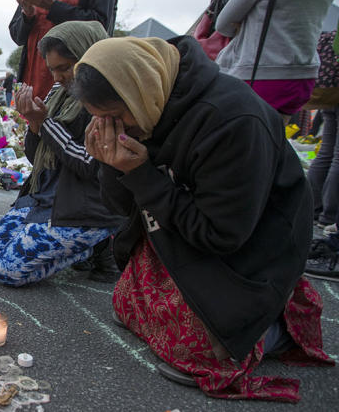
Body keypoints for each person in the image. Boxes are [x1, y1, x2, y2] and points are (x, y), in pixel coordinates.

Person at [71, 35, 333, 401]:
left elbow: (222, 234)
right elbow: (121, 207)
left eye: (117, 116)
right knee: (126, 306)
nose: (113, 129)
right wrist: (112, 166)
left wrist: (143, 174)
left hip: (248, 255)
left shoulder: (233, 120)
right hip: (180, 232)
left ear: (142, 90)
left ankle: (275, 328)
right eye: (101, 119)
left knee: (193, 350)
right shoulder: (150, 110)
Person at [0, 21, 123, 286]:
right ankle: (73, 246)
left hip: (86, 205)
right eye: (53, 69)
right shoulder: (60, 92)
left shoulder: (109, 101)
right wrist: (35, 125)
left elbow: (89, 166)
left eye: (65, 68)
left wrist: (45, 124)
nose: (57, 77)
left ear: (88, 58)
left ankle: (100, 243)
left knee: (7, 271)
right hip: (48, 196)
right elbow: (39, 160)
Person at [305, 26, 339, 281]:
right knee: (334, 154)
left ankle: (311, 208)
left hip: (332, 87)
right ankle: (328, 217)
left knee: (328, 151)